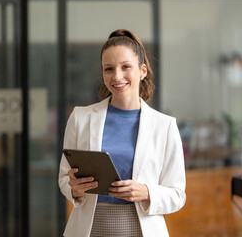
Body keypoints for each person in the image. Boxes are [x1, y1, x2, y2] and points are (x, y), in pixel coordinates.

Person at [58, 29, 186, 237]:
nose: (117, 77)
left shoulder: (165, 126)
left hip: (140, 230)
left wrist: (146, 192)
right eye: (109, 69)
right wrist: (74, 189)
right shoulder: (80, 118)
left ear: (142, 70)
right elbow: (64, 177)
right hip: (89, 229)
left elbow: (178, 195)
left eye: (126, 67)